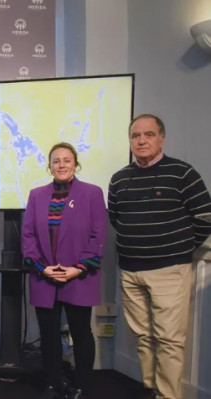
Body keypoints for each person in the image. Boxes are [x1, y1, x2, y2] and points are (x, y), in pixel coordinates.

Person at [108, 114, 211, 399]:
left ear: (161, 138)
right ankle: (151, 388)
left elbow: (205, 217)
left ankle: (169, 397)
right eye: (136, 135)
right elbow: (117, 218)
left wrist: (180, 247)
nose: (141, 140)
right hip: (130, 270)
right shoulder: (119, 179)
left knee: (169, 339)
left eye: (148, 135)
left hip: (170, 271)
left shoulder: (182, 173)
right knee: (144, 335)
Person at [22, 142, 107, 399]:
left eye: (67, 160)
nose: (61, 165)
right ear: (49, 166)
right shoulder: (36, 195)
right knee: (47, 334)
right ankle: (53, 382)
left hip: (79, 276)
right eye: (56, 161)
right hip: (44, 276)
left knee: (81, 332)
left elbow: (98, 235)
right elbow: (28, 236)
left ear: (76, 164)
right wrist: (42, 268)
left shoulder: (92, 193)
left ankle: (82, 385)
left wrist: (78, 268)